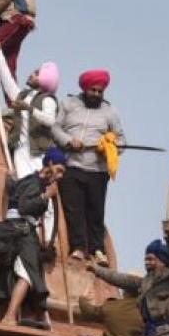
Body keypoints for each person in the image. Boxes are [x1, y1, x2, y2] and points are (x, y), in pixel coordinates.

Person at [0, 33, 60, 246]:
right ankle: (25, 232)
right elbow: (7, 81)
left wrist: (29, 109)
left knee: (44, 194)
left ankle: (48, 241)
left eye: (37, 73)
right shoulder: (23, 95)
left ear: (44, 79)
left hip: (38, 153)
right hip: (21, 150)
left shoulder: (47, 100)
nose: (32, 74)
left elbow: (49, 120)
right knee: (22, 191)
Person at [53, 69, 125, 263]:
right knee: (73, 210)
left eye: (100, 91)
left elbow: (122, 140)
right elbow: (55, 128)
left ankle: (97, 250)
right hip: (72, 166)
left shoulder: (110, 111)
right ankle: (77, 248)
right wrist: (69, 141)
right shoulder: (68, 104)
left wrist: (109, 147)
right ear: (85, 88)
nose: (96, 94)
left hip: (97, 170)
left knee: (96, 211)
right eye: (93, 90)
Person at [0, 148, 67, 330]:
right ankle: (10, 316)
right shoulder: (36, 184)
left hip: (18, 231)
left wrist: (10, 182)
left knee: (25, 274)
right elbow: (24, 206)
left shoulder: (30, 181)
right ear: (50, 163)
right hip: (22, 232)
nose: (60, 176)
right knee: (28, 275)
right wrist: (46, 196)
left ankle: (23, 314)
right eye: (59, 170)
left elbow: (14, 192)